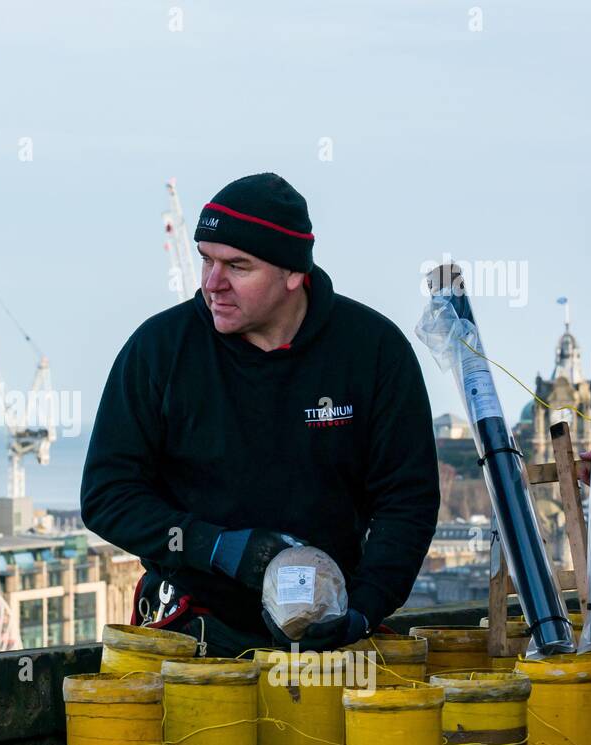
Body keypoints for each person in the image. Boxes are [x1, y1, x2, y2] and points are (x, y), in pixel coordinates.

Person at [80, 173, 440, 656]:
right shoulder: (160, 350)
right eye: (206, 259)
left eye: (238, 266)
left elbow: (408, 500)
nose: (213, 283)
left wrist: (364, 609)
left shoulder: (373, 351)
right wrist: (216, 548)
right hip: (191, 632)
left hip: (328, 639)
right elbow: (107, 495)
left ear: (294, 273)